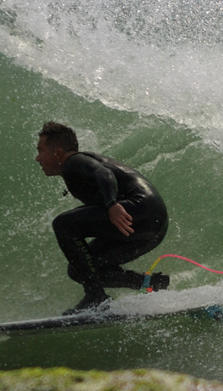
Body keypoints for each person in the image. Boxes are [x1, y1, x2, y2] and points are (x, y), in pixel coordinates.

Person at [35, 121, 170, 313]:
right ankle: (151, 283)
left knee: (62, 224)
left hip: (142, 209)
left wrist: (111, 204)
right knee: (80, 269)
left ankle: (96, 297)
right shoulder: (74, 167)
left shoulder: (73, 161)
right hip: (153, 226)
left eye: (41, 150)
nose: (37, 158)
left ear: (57, 153)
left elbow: (103, 173)